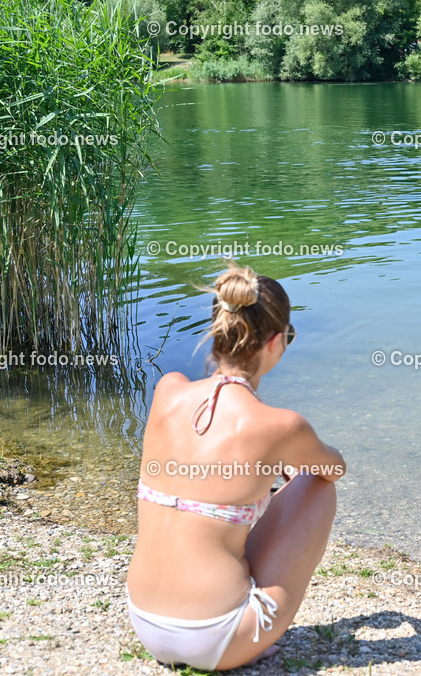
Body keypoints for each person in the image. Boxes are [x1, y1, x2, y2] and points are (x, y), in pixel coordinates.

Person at [126, 263, 346, 671]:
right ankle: (245, 638)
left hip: (145, 622)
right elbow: (333, 469)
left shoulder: (168, 389)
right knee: (317, 485)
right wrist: (289, 460)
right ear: (276, 343)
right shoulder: (280, 425)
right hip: (215, 637)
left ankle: (234, 627)